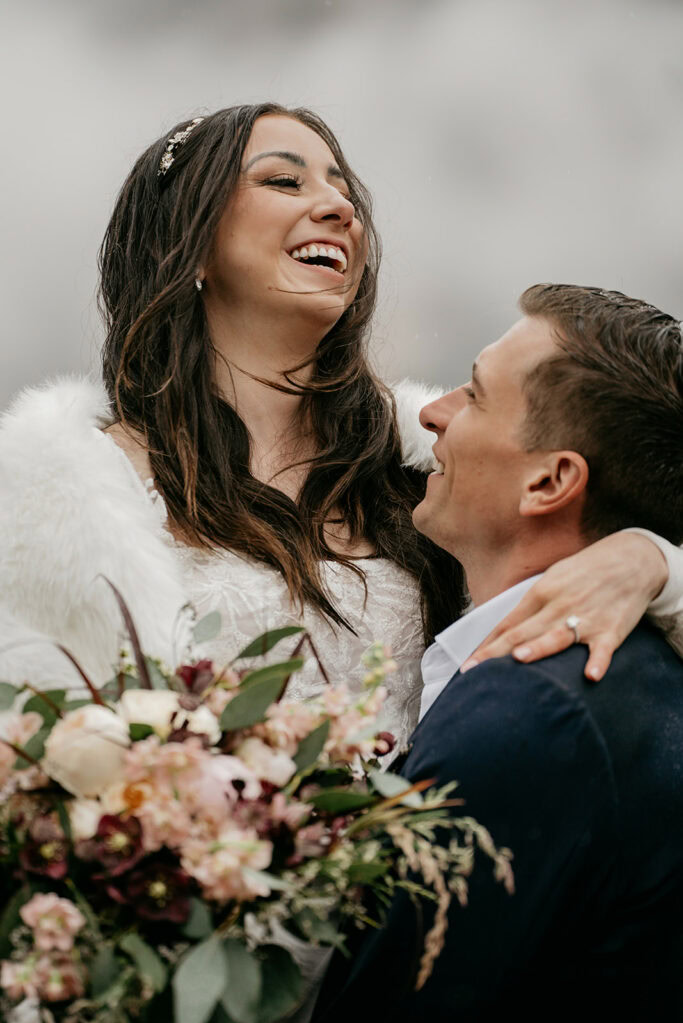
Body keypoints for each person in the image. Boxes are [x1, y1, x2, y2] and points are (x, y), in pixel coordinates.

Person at [0, 106, 680, 748]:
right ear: (188, 243)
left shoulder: (436, 464)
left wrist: (650, 560)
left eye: (343, 189)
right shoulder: (61, 496)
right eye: (283, 180)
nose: (340, 208)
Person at [314, 284, 683, 1021]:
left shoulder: (529, 712)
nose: (432, 413)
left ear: (549, 481)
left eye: (475, 396)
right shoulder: (633, 675)